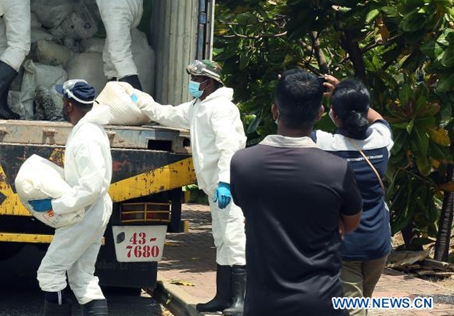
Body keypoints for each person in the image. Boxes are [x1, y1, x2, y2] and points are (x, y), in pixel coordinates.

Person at [230, 69, 363, 316]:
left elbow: (248, 208)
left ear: (274, 111)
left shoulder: (242, 163)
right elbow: (352, 223)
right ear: (320, 113)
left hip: (264, 305)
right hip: (321, 303)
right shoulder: (336, 169)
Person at [130, 59, 247, 314]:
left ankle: (240, 300)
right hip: (215, 185)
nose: (192, 84)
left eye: (197, 79)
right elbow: (169, 114)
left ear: (209, 82)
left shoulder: (222, 109)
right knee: (222, 239)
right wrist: (142, 103)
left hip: (227, 183)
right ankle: (223, 297)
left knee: (234, 238)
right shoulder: (198, 106)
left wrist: (226, 182)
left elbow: (229, 146)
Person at [30, 80, 112, 316]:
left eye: (63, 100)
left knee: (50, 272)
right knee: (82, 276)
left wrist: (56, 205)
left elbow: (91, 186)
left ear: (69, 105)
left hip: (84, 211)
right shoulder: (91, 129)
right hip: (92, 208)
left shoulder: (86, 136)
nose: (61, 104)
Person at [313, 77, 393, 316]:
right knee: (361, 305)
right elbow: (377, 118)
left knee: (352, 309)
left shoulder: (325, 144)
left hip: (345, 243)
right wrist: (348, 94)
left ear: (334, 115)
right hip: (378, 243)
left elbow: (295, 126)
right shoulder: (382, 140)